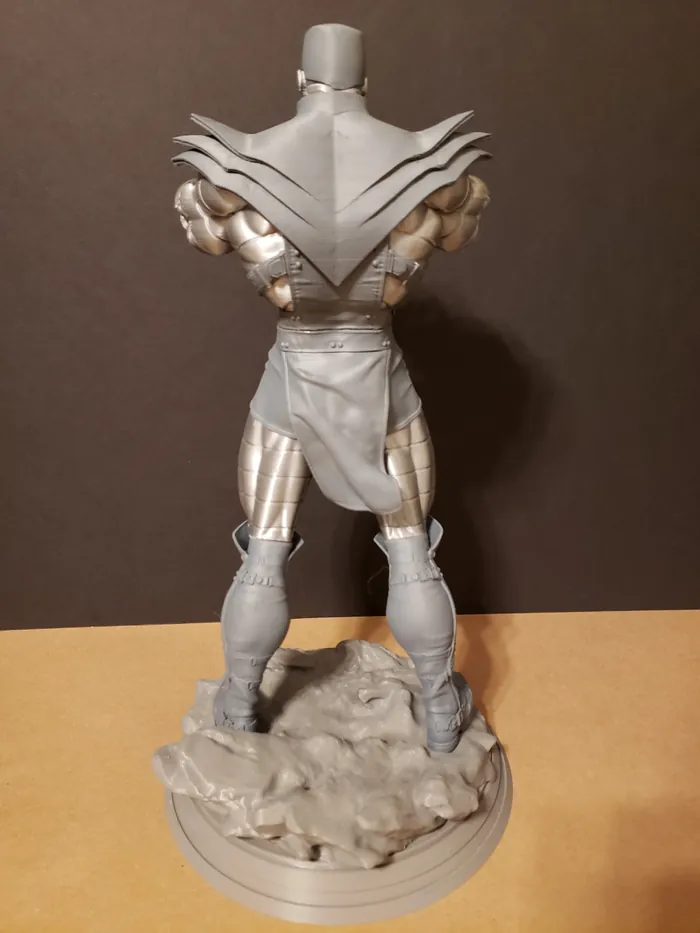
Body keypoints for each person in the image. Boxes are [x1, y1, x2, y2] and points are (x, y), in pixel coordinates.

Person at [173, 23, 490, 753]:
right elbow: (456, 226)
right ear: (365, 83)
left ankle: (239, 706)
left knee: (265, 552)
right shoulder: (430, 168)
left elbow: (208, 233)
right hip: (381, 381)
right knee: (410, 550)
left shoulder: (236, 169)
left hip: (293, 377)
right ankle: (440, 714)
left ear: (300, 79)